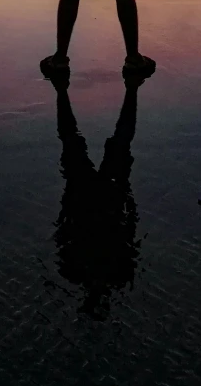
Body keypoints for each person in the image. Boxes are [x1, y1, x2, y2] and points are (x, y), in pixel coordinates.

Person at [51, 72, 145, 319]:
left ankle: (62, 91)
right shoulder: (117, 273)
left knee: (75, 141)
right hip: (105, 199)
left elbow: (63, 230)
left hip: (88, 198)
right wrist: (128, 197)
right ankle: (131, 91)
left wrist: (67, 200)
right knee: (85, 142)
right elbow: (130, 232)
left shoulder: (75, 270)